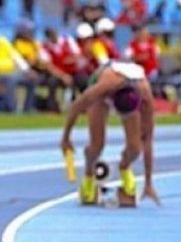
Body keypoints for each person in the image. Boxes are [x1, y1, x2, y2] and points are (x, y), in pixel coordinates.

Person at [60, 61, 158, 206]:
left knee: (135, 147)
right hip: (103, 86)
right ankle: (88, 175)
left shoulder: (145, 97)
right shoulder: (103, 88)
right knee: (97, 145)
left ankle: (124, 167)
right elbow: (75, 107)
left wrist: (149, 183)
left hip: (129, 91)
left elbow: (148, 140)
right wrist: (66, 138)